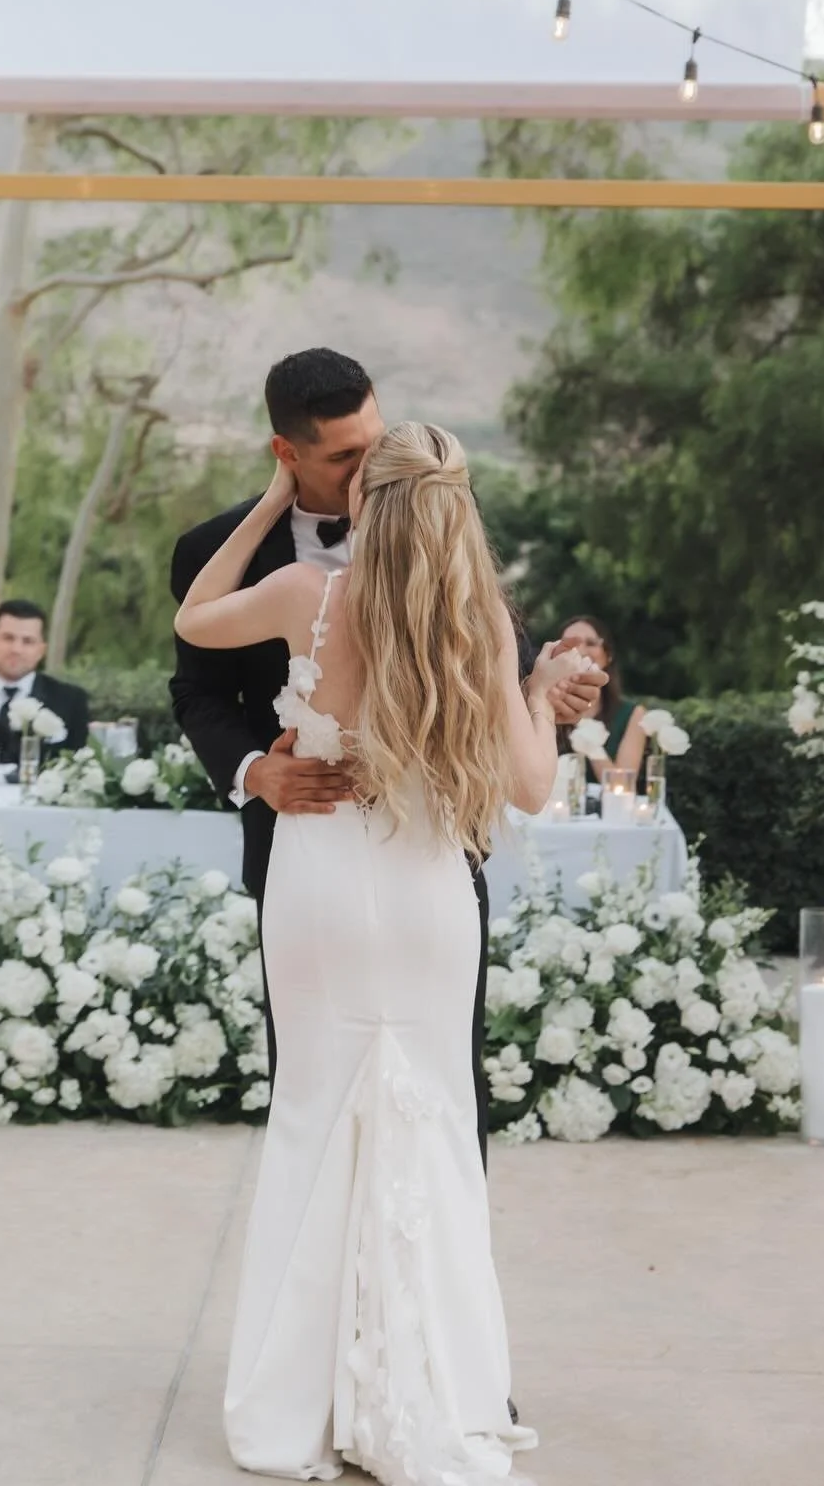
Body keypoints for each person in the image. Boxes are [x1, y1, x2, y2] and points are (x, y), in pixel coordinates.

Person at [175, 421, 561, 1485]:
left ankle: (294, 1405)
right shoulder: (479, 621)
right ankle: (430, 1389)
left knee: (313, 1117)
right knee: (432, 1121)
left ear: (372, 506)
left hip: (320, 886)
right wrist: (536, 698)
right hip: (431, 893)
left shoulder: (309, 594)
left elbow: (194, 619)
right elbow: (533, 790)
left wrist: (266, 501)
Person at [168, 348, 601, 1136]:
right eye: (346, 456)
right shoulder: (216, 549)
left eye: (376, 442)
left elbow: (485, 666)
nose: (373, 469)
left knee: (444, 1086)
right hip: (308, 848)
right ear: (286, 452)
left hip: (433, 852)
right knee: (315, 1083)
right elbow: (196, 690)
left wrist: (546, 682)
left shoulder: (406, 532)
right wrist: (256, 769)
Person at [0, 599, 89, 772]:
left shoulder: (70, 702)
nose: (16, 649)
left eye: (28, 641)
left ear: (41, 650)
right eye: (8, 638)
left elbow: (77, 768)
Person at [557, 613, 644, 778]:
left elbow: (622, 785)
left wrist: (587, 737)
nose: (581, 651)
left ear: (608, 656)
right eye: (569, 644)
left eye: (591, 643)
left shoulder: (632, 714)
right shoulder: (541, 709)